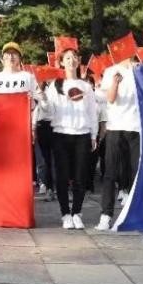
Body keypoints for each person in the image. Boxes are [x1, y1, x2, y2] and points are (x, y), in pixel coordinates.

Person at [46, 49, 97, 229]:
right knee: (62, 176)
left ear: (78, 61)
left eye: (74, 57)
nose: (72, 60)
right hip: (61, 134)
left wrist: (93, 135)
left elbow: (92, 112)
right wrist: (42, 99)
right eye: (67, 58)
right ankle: (65, 214)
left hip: (82, 134)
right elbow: (49, 110)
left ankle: (77, 212)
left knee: (80, 176)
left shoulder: (86, 86)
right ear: (61, 62)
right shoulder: (56, 85)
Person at [96, 56, 140, 231]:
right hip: (116, 127)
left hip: (136, 127)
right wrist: (115, 83)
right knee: (111, 172)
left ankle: (134, 214)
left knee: (136, 172)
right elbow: (111, 98)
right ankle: (106, 215)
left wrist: (138, 71)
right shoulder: (111, 71)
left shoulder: (140, 70)